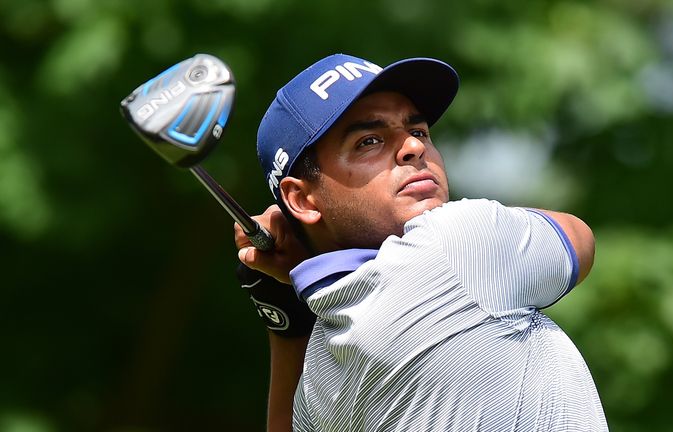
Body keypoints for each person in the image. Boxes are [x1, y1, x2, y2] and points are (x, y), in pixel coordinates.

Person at [234, 53, 608, 431]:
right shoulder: (459, 239)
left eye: (419, 131)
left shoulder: (317, 375)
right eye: (369, 141)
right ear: (301, 200)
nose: (414, 148)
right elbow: (578, 237)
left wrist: (284, 317)